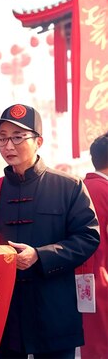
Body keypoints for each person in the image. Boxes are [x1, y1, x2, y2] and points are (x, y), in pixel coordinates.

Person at [0, 103, 100, 359]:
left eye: (17, 137)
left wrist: (40, 255)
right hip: (7, 311)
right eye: (2, 138)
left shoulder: (68, 186)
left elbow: (88, 237)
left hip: (54, 306)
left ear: (38, 141)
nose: (8, 146)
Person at [80, 132, 108, 359]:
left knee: (91, 341)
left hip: (78, 275)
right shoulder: (106, 190)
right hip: (102, 274)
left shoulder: (75, 187)